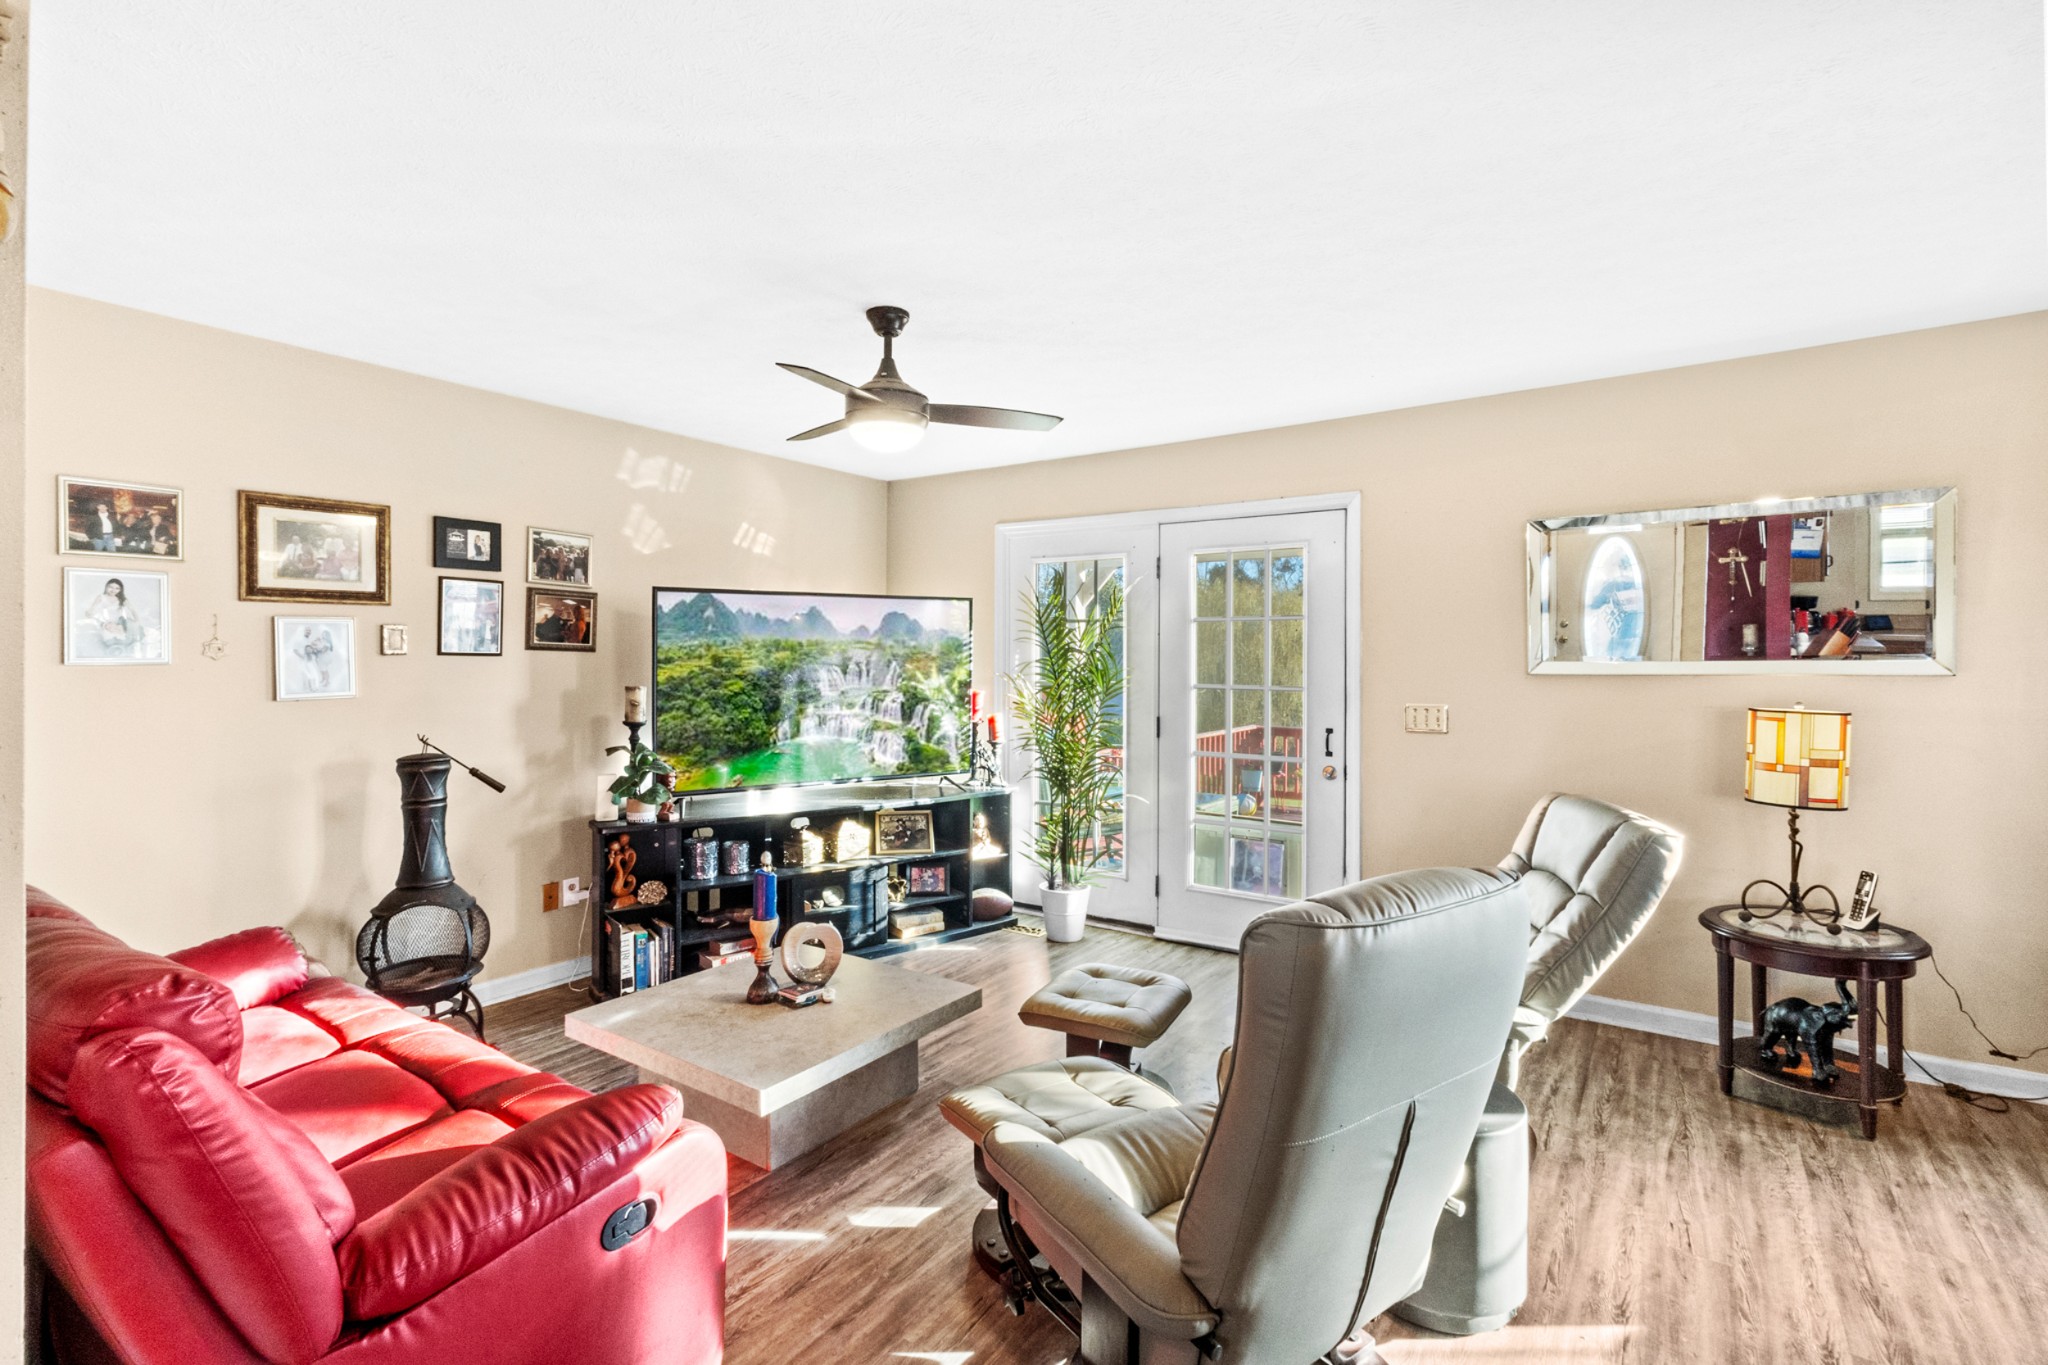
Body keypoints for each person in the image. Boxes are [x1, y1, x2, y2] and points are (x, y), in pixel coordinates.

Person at [83, 578, 142, 656]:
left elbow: (132, 610)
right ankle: (113, 649)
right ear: (106, 587)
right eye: (111, 587)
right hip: (106, 622)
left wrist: (137, 620)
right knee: (108, 635)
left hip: (119, 622)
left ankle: (125, 649)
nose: (113, 590)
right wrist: (89, 613)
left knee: (129, 632)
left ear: (120, 590)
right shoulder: (101, 597)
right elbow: (93, 608)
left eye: (117, 588)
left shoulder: (122, 599)